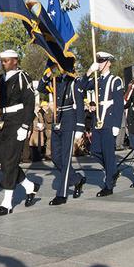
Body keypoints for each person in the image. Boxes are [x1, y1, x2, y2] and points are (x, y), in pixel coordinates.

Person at [0, 49, 39, 216]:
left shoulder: (22, 76)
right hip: (4, 120)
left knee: (10, 160)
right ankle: (30, 186)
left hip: (18, 119)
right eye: (2, 60)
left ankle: (7, 202)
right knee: (5, 159)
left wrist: (25, 126)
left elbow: (30, 102)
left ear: (15, 60)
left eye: (7, 60)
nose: (4, 63)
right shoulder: (0, 78)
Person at [40, 66, 87, 205]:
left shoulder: (74, 82)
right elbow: (41, 88)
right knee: (55, 157)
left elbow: (79, 104)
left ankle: (62, 194)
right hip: (57, 120)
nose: (60, 68)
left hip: (69, 120)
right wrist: (48, 72)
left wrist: (80, 126)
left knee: (66, 159)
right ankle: (77, 179)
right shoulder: (56, 81)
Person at [85, 51, 124, 197]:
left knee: (108, 154)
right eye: (98, 61)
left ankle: (108, 186)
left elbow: (119, 104)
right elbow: (81, 86)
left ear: (108, 63)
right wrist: (89, 71)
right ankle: (113, 171)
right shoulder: (96, 79)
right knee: (94, 151)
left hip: (108, 121)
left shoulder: (115, 80)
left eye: (101, 61)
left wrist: (116, 124)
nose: (99, 64)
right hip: (98, 121)